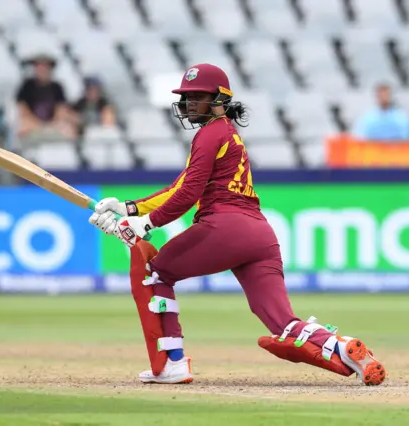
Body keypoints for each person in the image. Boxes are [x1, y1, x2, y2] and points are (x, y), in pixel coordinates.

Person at [88, 64, 386, 386]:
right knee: (282, 323)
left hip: (225, 228)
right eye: (186, 97)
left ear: (220, 99)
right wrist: (129, 207)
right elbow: (181, 186)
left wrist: (145, 224)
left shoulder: (210, 133)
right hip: (260, 235)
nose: (189, 104)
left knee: (157, 272)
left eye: (197, 97)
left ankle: (173, 363)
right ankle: (342, 347)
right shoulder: (225, 131)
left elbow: (188, 193)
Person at [15, 54, 77, 141]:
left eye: (45, 66)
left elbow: (61, 109)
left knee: (69, 129)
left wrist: (52, 124)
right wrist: (37, 124)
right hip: (32, 123)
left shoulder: (57, 87)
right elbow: (22, 108)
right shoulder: (27, 86)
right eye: (39, 66)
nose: (42, 69)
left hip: (53, 124)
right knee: (22, 125)